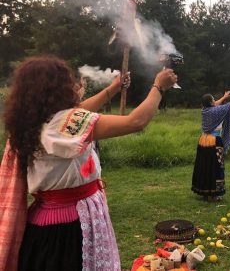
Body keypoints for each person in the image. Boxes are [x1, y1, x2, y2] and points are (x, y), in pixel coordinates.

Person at [0, 55, 176, 271]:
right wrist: (159, 86)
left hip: (46, 223)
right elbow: (136, 121)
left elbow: (81, 111)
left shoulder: (34, 122)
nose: (75, 84)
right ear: (56, 88)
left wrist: (114, 88)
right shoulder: (63, 124)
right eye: (69, 81)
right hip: (68, 227)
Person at [191, 90, 230, 201]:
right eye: (214, 99)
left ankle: (204, 191)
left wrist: (224, 97)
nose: (215, 101)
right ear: (211, 103)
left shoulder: (204, 110)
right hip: (214, 141)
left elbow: (217, 105)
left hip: (203, 140)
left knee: (204, 166)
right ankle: (214, 194)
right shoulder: (215, 111)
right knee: (216, 166)